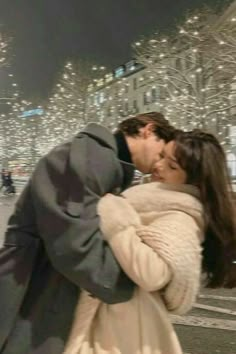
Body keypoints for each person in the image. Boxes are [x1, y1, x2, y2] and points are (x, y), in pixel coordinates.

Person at [0, 112, 174, 354]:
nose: (159, 162)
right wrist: (133, 285)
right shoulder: (90, 159)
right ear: (148, 130)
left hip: (44, 284)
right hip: (31, 285)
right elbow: (72, 246)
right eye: (162, 152)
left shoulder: (104, 162)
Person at [64, 130, 236, 354]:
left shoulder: (181, 216)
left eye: (172, 166)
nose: (159, 165)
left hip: (126, 328)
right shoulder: (154, 201)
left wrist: (114, 215)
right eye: (162, 155)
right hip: (119, 318)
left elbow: (153, 273)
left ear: (194, 179)